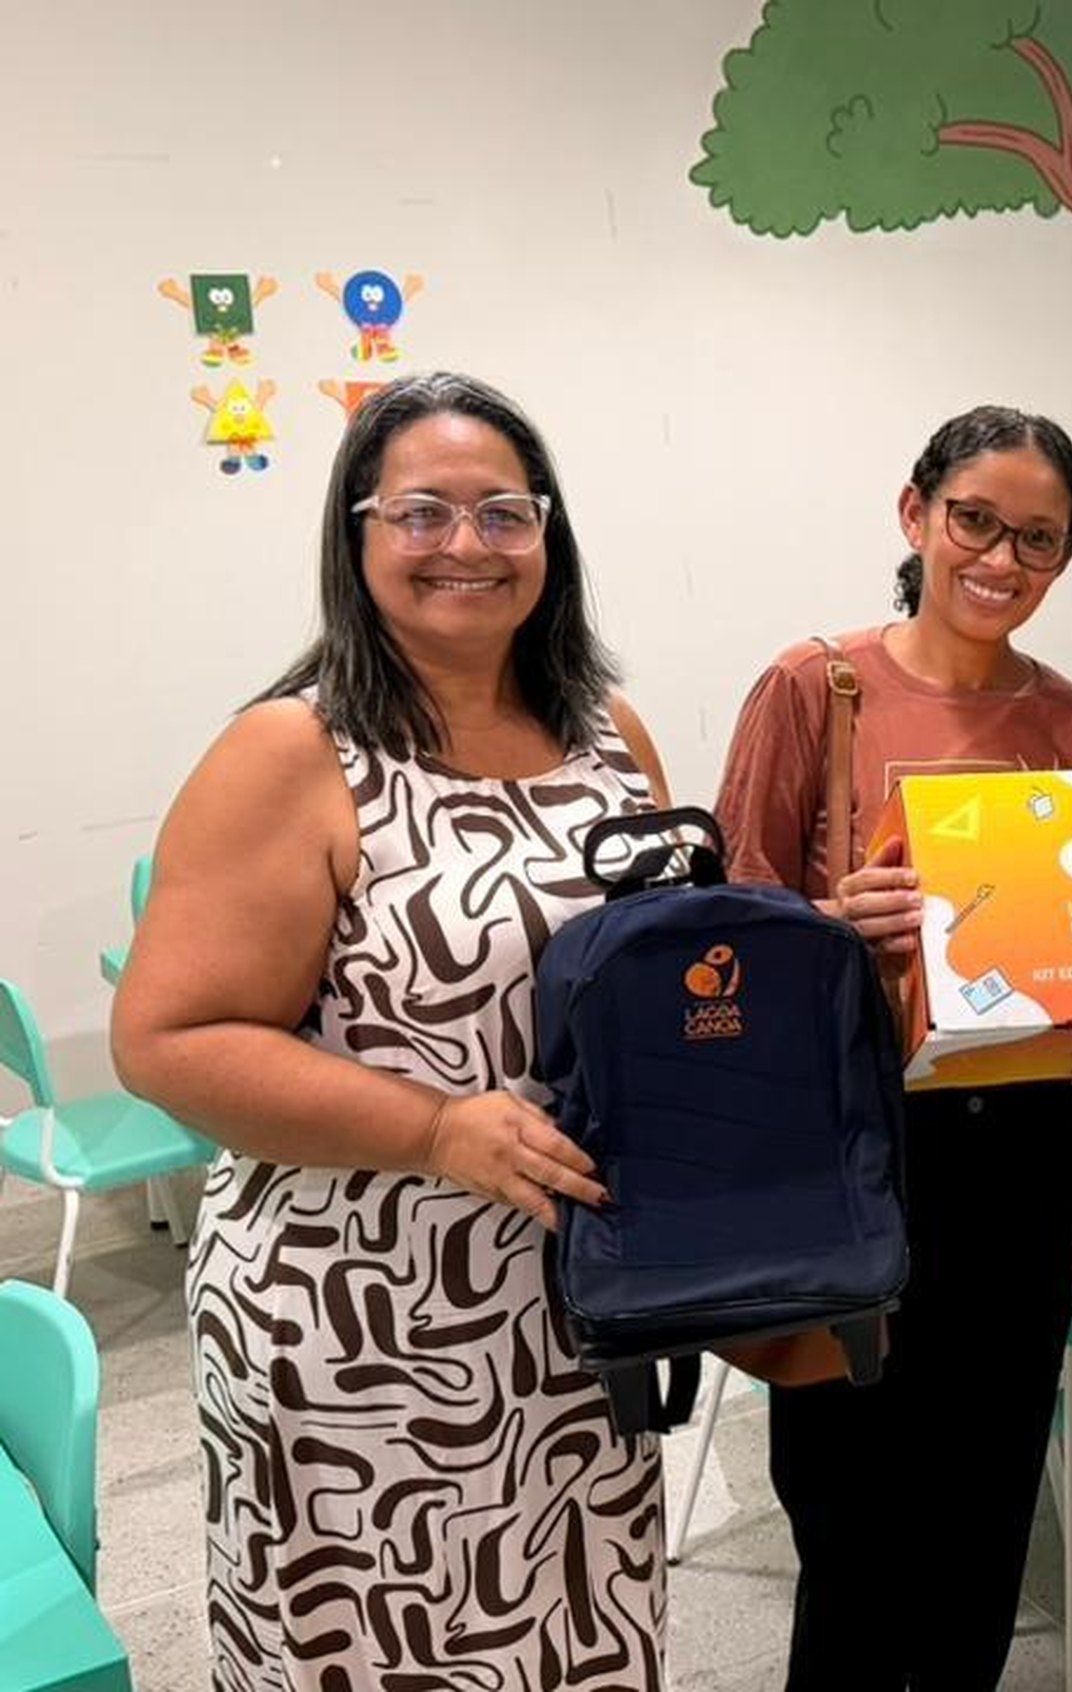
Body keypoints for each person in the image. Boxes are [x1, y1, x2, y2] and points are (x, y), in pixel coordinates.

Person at [111, 373, 675, 1689]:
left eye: (504, 512)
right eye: (422, 512)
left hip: (575, 1305)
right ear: (356, 534)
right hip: (361, 1327)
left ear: (548, 534)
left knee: (571, 1631)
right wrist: (432, 1130)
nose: (467, 544)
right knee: (383, 1648)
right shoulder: (293, 751)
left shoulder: (608, 735)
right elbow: (168, 1039)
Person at [711, 404, 1072, 1690]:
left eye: (1038, 539)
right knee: (843, 1494)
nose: (1001, 559)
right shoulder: (812, 687)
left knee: (989, 1484)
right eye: (975, 522)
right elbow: (722, 932)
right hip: (851, 1138)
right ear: (915, 514)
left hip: (1029, 1139)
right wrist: (829, 926)